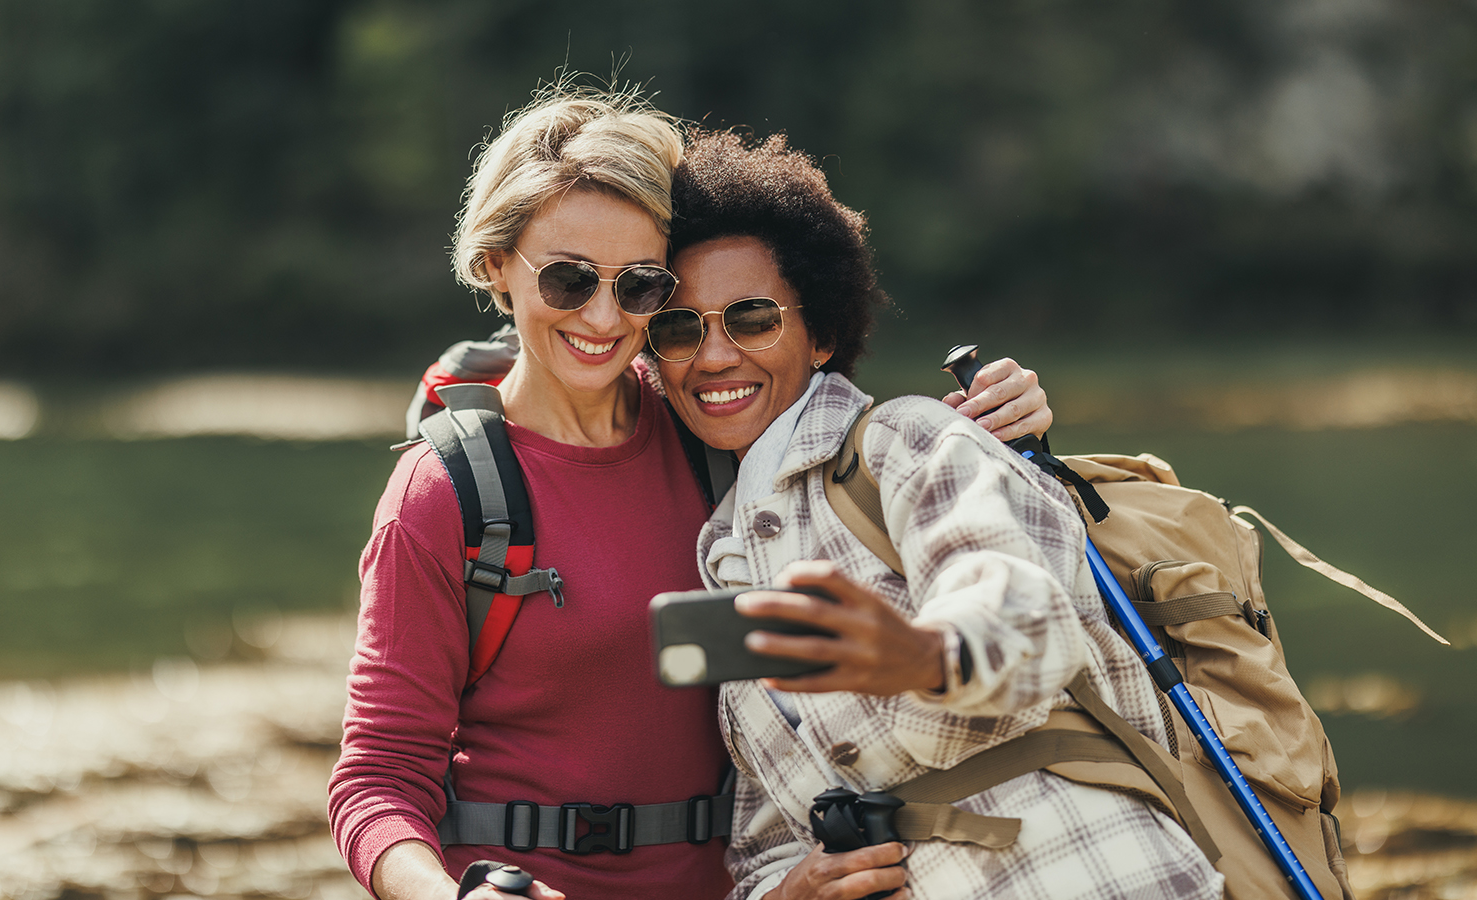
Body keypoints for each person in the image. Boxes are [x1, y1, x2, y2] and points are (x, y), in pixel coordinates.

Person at [326, 84, 1050, 900]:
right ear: (497, 265)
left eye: (640, 287)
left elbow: (863, 443)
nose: (603, 318)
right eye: (568, 280)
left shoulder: (711, 425)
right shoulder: (441, 493)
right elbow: (378, 778)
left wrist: (1005, 420)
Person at [648, 129, 1225, 900]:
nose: (714, 357)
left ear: (820, 334)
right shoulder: (722, 552)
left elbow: (1024, 613)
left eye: (752, 319)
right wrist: (789, 891)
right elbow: (763, 845)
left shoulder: (908, 438)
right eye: (679, 329)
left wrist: (925, 653)